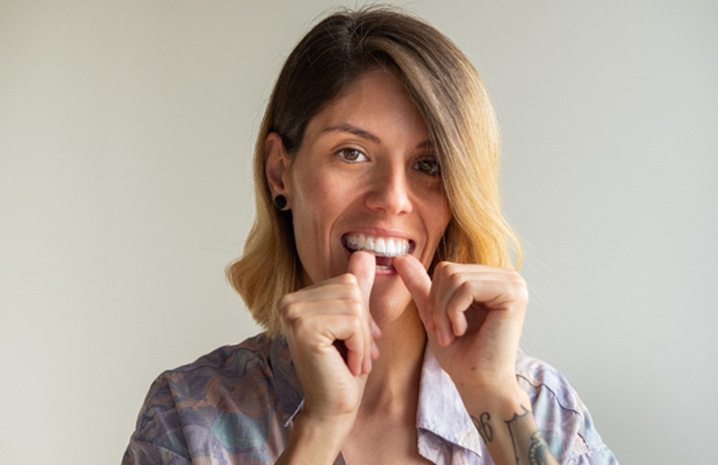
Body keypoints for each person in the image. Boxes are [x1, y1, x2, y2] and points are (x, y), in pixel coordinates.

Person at [122, 7, 618, 465]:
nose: (392, 199)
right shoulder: (188, 417)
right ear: (279, 172)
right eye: (352, 153)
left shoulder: (544, 411)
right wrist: (320, 427)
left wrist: (490, 397)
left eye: (429, 165)